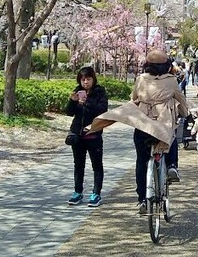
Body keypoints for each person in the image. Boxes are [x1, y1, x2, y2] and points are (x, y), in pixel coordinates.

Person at [87, 50, 188, 215]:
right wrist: (184, 113)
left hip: (142, 124)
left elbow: (133, 96)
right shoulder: (171, 81)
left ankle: (142, 198)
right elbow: (181, 100)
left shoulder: (140, 79)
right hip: (163, 123)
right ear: (166, 66)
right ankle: (172, 166)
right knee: (171, 138)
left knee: (141, 161)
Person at [65, 66, 108, 207]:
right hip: (78, 135)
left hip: (93, 134)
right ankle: (77, 192)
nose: (85, 82)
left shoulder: (99, 92)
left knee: (96, 165)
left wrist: (87, 103)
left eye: (88, 79)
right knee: (78, 165)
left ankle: (96, 193)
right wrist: (73, 101)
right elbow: (69, 113)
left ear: (93, 79)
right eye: (83, 79)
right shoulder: (77, 91)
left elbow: (102, 110)